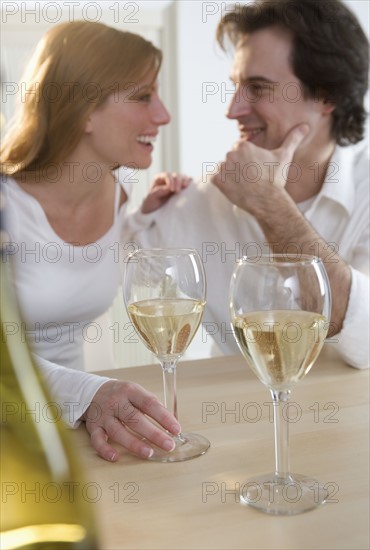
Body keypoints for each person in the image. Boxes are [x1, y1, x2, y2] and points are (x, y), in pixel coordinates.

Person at [126, 0, 370, 369]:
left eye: (257, 88)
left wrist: (269, 201)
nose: (233, 109)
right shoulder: (206, 198)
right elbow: (103, 270)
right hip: (237, 416)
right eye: (237, 86)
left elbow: (363, 339)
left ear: (326, 95)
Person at [0, 20, 192, 462]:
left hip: (76, 430)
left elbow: (84, 260)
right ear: (83, 108)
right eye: (144, 97)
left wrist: (144, 220)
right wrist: (88, 394)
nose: (162, 115)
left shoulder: (120, 191)